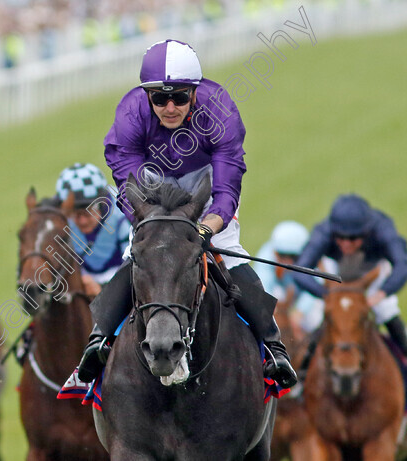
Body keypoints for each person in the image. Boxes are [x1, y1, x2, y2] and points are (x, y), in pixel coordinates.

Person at [76, 39, 297, 388]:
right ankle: (97, 340)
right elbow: (126, 181)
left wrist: (206, 230)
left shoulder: (220, 110)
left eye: (179, 97)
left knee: (232, 257)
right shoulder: (131, 113)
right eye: (159, 98)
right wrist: (150, 223)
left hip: (205, 186)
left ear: (194, 92)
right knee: (138, 254)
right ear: (147, 96)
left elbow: (226, 190)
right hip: (152, 186)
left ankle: (273, 346)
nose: (168, 107)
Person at [292, 194, 407, 356]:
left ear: (367, 232)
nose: (346, 244)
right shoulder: (323, 232)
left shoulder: (383, 228)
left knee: (385, 310)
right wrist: (326, 294)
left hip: (373, 272)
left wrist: (382, 293)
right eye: (340, 237)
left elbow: (402, 264)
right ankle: (304, 371)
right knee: (318, 318)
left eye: (353, 238)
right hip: (337, 273)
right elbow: (299, 269)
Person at [54, 163, 132, 297]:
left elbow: (134, 266)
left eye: (88, 212)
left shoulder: (123, 216)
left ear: (102, 204)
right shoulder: (61, 221)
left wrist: (103, 291)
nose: (82, 221)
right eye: (75, 214)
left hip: (124, 284)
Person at [254, 221, 323, 335]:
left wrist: (300, 312)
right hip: (281, 295)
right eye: (282, 255)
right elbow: (264, 288)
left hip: (302, 296)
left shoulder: (311, 258)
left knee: (316, 319)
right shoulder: (265, 256)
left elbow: (316, 287)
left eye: (294, 257)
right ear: (275, 252)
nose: (288, 262)